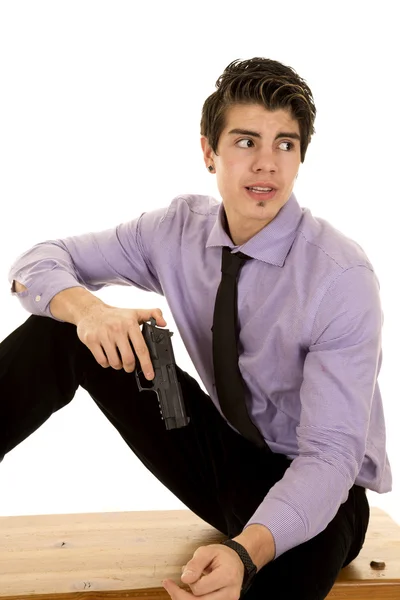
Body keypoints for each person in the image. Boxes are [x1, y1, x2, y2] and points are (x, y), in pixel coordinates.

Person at [1, 57, 392, 600]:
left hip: (321, 490)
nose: (267, 165)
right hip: (216, 451)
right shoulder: (175, 231)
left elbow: (329, 457)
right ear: (209, 151)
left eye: (285, 144)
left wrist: (243, 551)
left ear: (301, 158)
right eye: (245, 141)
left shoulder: (340, 276)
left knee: (278, 576)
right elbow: (37, 262)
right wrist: (90, 312)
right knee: (61, 329)